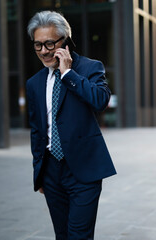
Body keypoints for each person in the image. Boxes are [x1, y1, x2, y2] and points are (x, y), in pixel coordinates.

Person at [25, 11, 116, 239]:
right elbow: (37, 130)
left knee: (79, 236)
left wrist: (68, 73)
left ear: (64, 41)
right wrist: (40, 172)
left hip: (84, 169)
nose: (44, 51)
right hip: (51, 172)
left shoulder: (89, 68)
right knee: (62, 234)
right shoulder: (34, 83)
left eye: (49, 43)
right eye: (38, 45)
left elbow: (100, 100)